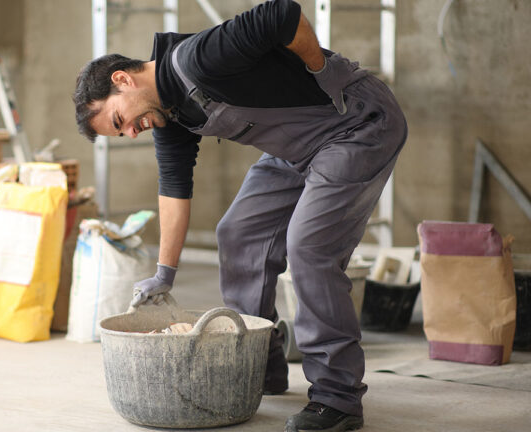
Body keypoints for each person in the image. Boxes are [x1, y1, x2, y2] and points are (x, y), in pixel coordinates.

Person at [73, 0, 407, 430]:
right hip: (299, 148)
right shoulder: (169, 114)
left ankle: (337, 398)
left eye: (121, 119)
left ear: (122, 79)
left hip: (356, 125)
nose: (131, 131)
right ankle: (257, 362)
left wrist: (319, 66)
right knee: (238, 234)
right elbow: (174, 190)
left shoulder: (198, 58)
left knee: (308, 249)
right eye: (121, 134)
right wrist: (164, 273)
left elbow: (282, 14)